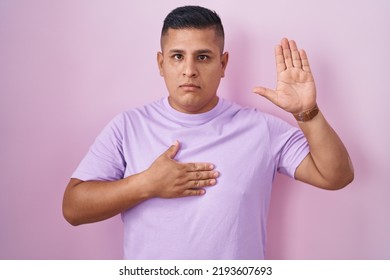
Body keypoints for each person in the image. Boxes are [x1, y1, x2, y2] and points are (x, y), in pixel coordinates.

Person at [62, 5, 354, 259]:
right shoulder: (128, 126)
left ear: (223, 63)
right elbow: (73, 208)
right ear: (161, 64)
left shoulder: (261, 129)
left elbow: (335, 176)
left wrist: (307, 112)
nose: (189, 70)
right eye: (177, 56)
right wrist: (146, 184)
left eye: (203, 57)